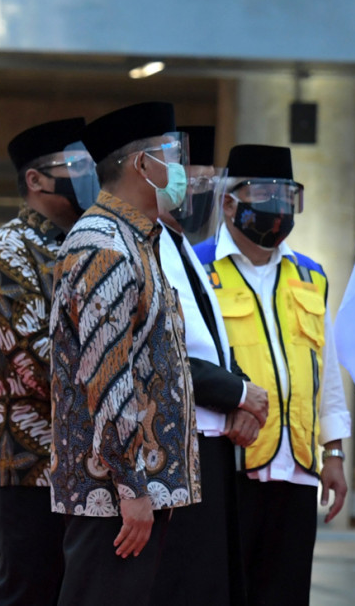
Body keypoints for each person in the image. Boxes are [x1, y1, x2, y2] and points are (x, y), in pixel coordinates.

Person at [49, 101, 200, 606]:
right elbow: (107, 374)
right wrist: (132, 486)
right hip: (112, 493)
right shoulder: (105, 245)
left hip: (133, 489)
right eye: (172, 154)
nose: (180, 168)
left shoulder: (136, 238)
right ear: (142, 164)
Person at [194, 144, 351, 606]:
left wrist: (335, 450)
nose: (276, 209)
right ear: (229, 203)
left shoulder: (311, 275)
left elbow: (325, 371)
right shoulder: (198, 268)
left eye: (287, 197)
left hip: (297, 469)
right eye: (263, 195)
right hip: (228, 467)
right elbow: (188, 362)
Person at [0, 117, 97, 605]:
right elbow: (32, 357)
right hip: (25, 456)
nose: (88, 174)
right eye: (75, 166)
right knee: (29, 589)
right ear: (35, 180)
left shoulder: (84, 246)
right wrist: (113, 396)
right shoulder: (8, 249)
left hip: (83, 455)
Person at [152, 125, 267, 605]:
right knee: (184, 583)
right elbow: (163, 351)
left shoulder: (187, 248)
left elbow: (216, 344)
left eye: (206, 186)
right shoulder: (146, 244)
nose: (196, 196)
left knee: (214, 584)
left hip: (213, 443)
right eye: (188, 183)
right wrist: (239, 395)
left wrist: (239, 396)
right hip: (176, 444)